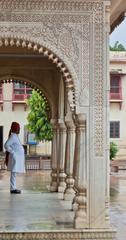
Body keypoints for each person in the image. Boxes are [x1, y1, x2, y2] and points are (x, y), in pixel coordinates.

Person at [4, 122, 25, 194]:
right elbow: (6, 145)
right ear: (15, 129)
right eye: (18, 128)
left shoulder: (15, 136)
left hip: (16, 158)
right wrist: (13, 152)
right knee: (13, 173)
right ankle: (13, 189)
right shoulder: (13, 136)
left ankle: (14, 188)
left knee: (14, 173)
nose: (19, 129)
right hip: (14, 158)